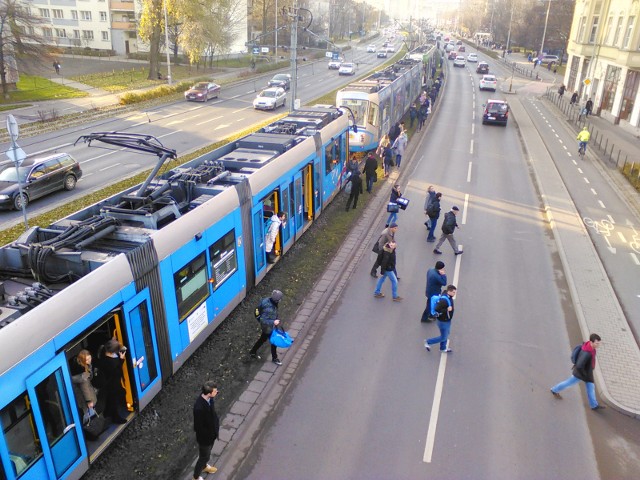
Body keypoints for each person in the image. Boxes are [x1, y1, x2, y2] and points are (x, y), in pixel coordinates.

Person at [550, 334, 605, 410]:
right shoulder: (587, 353)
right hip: (581, 374)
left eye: (599, 343)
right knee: (569, 383)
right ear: (591, 342)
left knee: (591, 387)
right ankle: (554, 389)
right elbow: (579, 366)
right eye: (597, 343)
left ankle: (594, 405)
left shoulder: (590, 347)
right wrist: (584, 374)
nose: (598, 345)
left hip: (586, 372)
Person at [192, 381, 220, 480]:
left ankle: (204, 467)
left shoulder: (210, 398)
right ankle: (195, 477)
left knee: (206, 455)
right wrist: (209, 435)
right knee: (204, 457)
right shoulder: (198, 408)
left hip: (212, 434)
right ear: (209, 393)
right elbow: (198, 427)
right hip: (205, 438)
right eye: (215, 391)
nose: (217, 392)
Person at [97, 339, 128, 424]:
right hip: (113, 384)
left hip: (107, 383)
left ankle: (107, 412)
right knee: (114, 399)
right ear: (113, 352)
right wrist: (121, 360)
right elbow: (117, 373)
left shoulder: (104, 356)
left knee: (110, 398)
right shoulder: (111, 362)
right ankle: (115, 417)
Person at [249, 290, 283, 365]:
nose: (280, 300)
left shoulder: (267, 300)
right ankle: (275, 358)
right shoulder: (269, 309)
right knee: (274, 342)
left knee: (263, 339)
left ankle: (252, 352)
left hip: (267, 327)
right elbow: (263, 320)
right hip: (268, 327)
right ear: (277, 300)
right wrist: (273, 322)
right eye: (280, 299)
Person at [424, 284, 457, 353]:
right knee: (444, 337)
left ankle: (443, 348)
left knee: (446, 334)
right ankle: (428, 342)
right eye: (454, 292)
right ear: (449, 291)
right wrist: (447, 310)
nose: (455, 293)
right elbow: (437, 309)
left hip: (446, 320)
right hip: (443, 321)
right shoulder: (443, 301)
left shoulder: (448, 296)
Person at [70, 349, 98, 415]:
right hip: (84, 395)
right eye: (87, 360)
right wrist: (89, 400)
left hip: (82, 391)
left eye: (89, 358)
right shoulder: (83, 372)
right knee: (86, 412)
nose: (89, 360)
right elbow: (84, 387)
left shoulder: (82, 365)